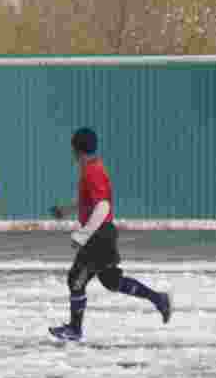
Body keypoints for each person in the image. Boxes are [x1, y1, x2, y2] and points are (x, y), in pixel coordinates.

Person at [49, 128, 172, 342]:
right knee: (111, 281)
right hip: (102, 235)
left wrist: (82, 234)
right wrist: (67, 210)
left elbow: (103, 207)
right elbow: (92, 201)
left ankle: (75, 330)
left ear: (76, 149)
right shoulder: (92, 169)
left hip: (98, 237)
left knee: (76, 280)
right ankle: (158, 299)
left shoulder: (92, 171)